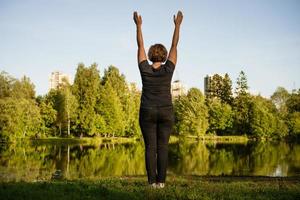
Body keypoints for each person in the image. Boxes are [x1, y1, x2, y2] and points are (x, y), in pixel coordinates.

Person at [133, 10, 183, 188]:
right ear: (163, 56)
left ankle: (151, 183)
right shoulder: (169, 69)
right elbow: (174, 46)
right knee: (163, 147)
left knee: (150, 148)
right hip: (166, 111)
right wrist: (177, 26)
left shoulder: (144, 69)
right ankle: (161, 183)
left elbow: (140, 46)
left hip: (147, 111)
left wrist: (138, 27)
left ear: (150, 55)